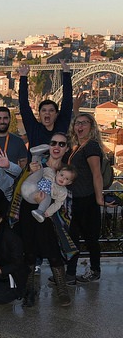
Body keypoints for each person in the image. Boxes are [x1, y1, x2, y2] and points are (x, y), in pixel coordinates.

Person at [18, 132, 73, 306]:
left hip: (50, 217)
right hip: (29, 212)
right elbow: (22, 188)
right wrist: (30, 172)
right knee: (29, 251)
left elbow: (66, 200)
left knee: (53, 252)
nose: (57, 146)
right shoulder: (37, 164)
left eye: (62, 144)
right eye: (53, 142)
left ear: (66, 149)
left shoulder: (67, 173)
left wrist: (50, 210)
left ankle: (62, 288)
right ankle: (29, 289)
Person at [67, 114, 107, 283]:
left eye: (84, 123)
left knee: (90, 239)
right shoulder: (78, 147)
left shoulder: (91, 147)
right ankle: (70, 274)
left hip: (87, 200)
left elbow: (97, 174)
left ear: (92, 126)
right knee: (73, 239)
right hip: (76, 200)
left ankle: (95, 270)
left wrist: (99, 200)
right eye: (77, 123)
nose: (80, 126)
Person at [18, 60, 72, 150]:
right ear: (39, 114)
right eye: (44, 110)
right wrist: (23, 77)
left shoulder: (62, 126)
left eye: (51, 110)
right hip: (35, 164)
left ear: (56, 114)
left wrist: (66, 73)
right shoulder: (33, 128)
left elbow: (67, 101)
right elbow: (23, 104)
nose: (47, 113)